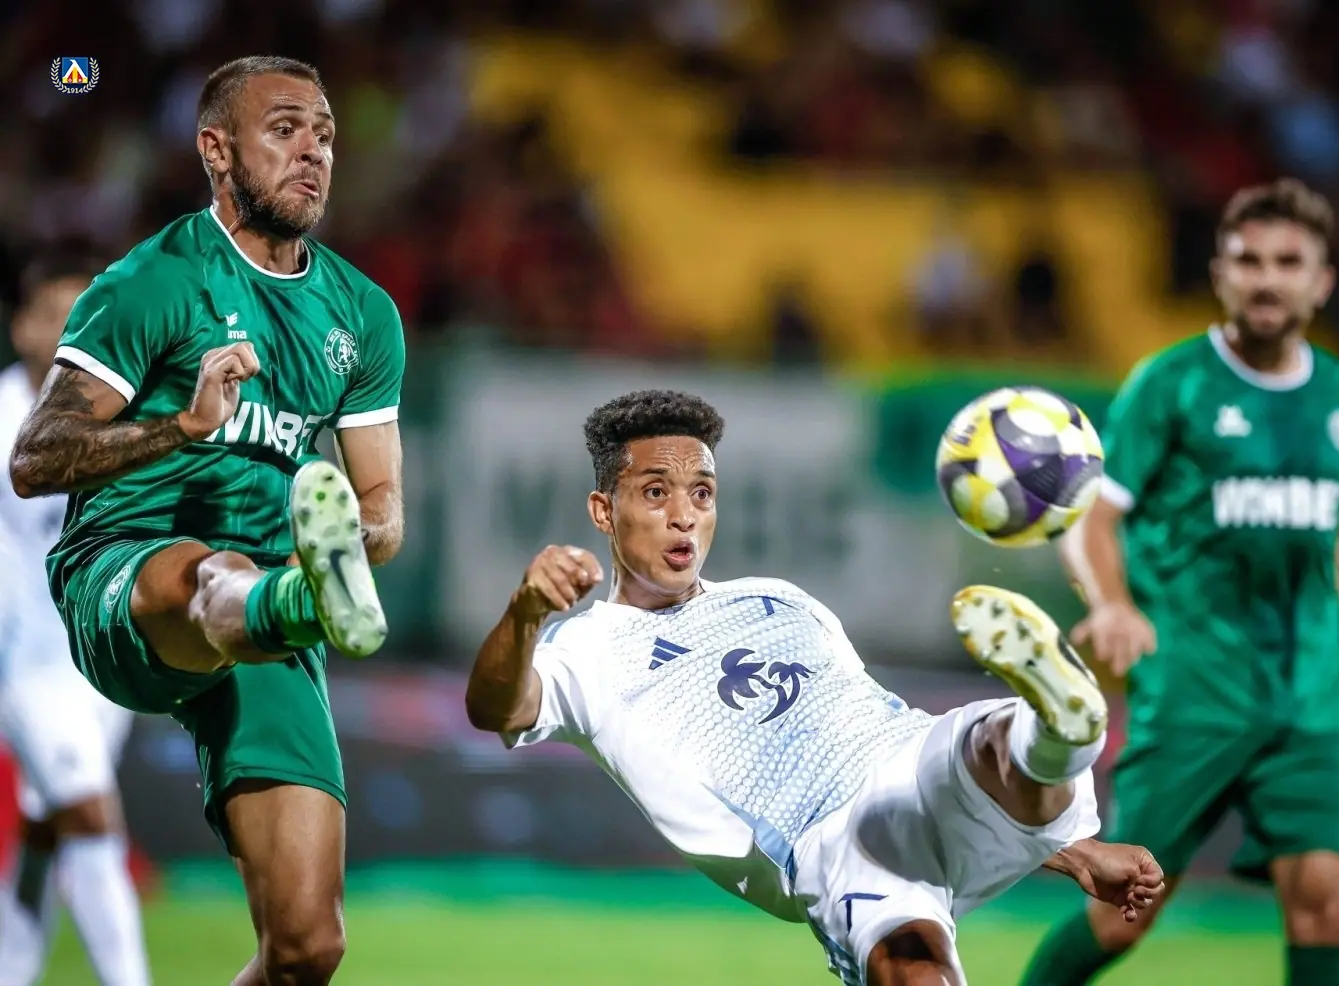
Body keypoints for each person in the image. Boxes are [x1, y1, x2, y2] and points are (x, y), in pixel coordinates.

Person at [464, 389, 1164, 985]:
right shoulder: (586, 650)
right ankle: (1057, 734)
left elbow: (878, 717)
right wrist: (526, 612)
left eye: (701, 493)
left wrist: (1079, 854)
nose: (684, 515)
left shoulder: (780, 599)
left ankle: (1056, 727)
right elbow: (497, 708)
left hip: (909, 756)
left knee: (993, 743)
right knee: (916, 972)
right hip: (826, 838)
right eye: (655, 493)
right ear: (602, 510)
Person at [7, 56, 405, 985]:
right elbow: (35, 458)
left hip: (268, 611)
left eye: (325, 135)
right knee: (216, 573)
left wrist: (359, 542)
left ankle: (300, 597)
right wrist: (179, 428)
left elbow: (383, 506)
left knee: (307, 949)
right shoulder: (151, 281)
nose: (314, 152)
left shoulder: (363, 315)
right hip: (127, 575)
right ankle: (297, 601)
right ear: (216, 151)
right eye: (286, 130)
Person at [1019, 178, 1339, 986]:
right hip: (1194, 688)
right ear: (1220, 275)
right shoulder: (1171, 384)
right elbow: (1092, 518)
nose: (1267, 279)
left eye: (1288, 262)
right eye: (1248, 261)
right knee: (1124, 911)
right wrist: (1113, 605)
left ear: (1322, 281)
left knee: (1328, 902)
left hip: (1310, 697)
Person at [0, 244, 150, 985]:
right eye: (55, 316)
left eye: (82, 317)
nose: (69, 334)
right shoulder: (3, 416)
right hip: (23, 662)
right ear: (23, 327)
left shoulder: (120, 418)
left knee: (48, 828)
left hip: (98, 662)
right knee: (90, 814)